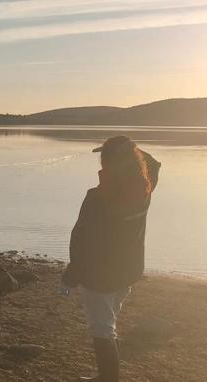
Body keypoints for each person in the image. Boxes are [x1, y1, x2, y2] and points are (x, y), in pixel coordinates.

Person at [62, 135, 161, 382]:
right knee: (108, 324)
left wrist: (72, 274)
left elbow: (82, 241)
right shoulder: (144, 189)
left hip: (100, 276)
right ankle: (105, 377)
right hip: (126, 273)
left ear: (107, 163)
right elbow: (155, 165)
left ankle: (108, 379)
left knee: (103, 330)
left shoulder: (98, 198)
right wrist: (131, 150)